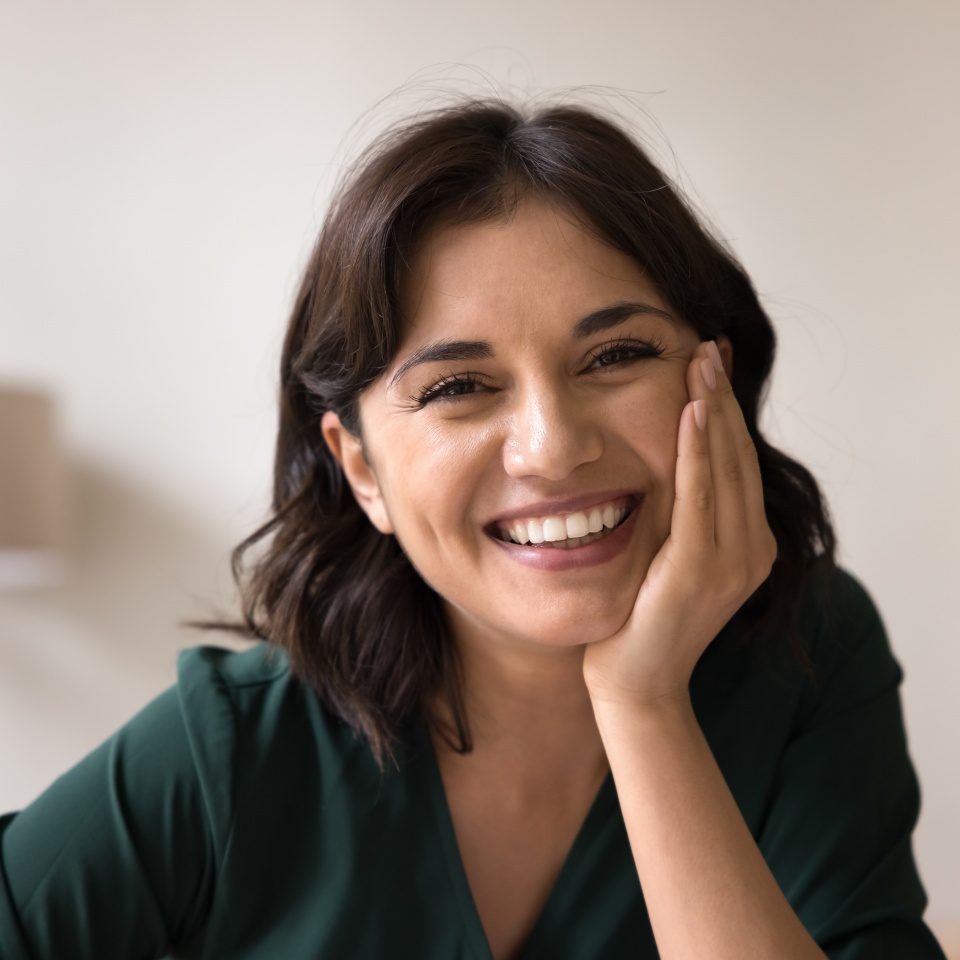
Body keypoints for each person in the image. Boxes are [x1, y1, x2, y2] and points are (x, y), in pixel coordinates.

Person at [0, 99, 947, 960]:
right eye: (459, 387)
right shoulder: (236, 747)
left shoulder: (810, 655)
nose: (552, 447)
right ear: (361, 465)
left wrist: (643, 702)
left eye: (615, 355)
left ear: (716, 385)